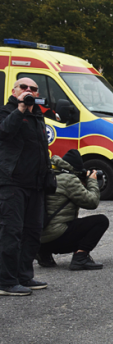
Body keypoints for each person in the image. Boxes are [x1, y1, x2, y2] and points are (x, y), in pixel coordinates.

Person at [0, 77, 50, 295]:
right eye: (24, 87)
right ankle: (6, 282)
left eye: (33, 89)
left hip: (35, 184)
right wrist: (20, 108)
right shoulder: (7, 112)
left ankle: (23, 276)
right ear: (14, 91)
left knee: (32, 232)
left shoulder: (38, 115)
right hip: (12, 183)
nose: (29, 90)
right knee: (11, 233)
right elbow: (4, 133)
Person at [37, 149, 109, 270]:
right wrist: (92, 181)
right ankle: (80, 257)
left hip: (38, 237)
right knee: (101, 221)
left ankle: (43, 254)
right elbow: (92, 202)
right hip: (57, 237)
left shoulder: (48, 175)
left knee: (60, 223)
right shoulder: (69, 179)